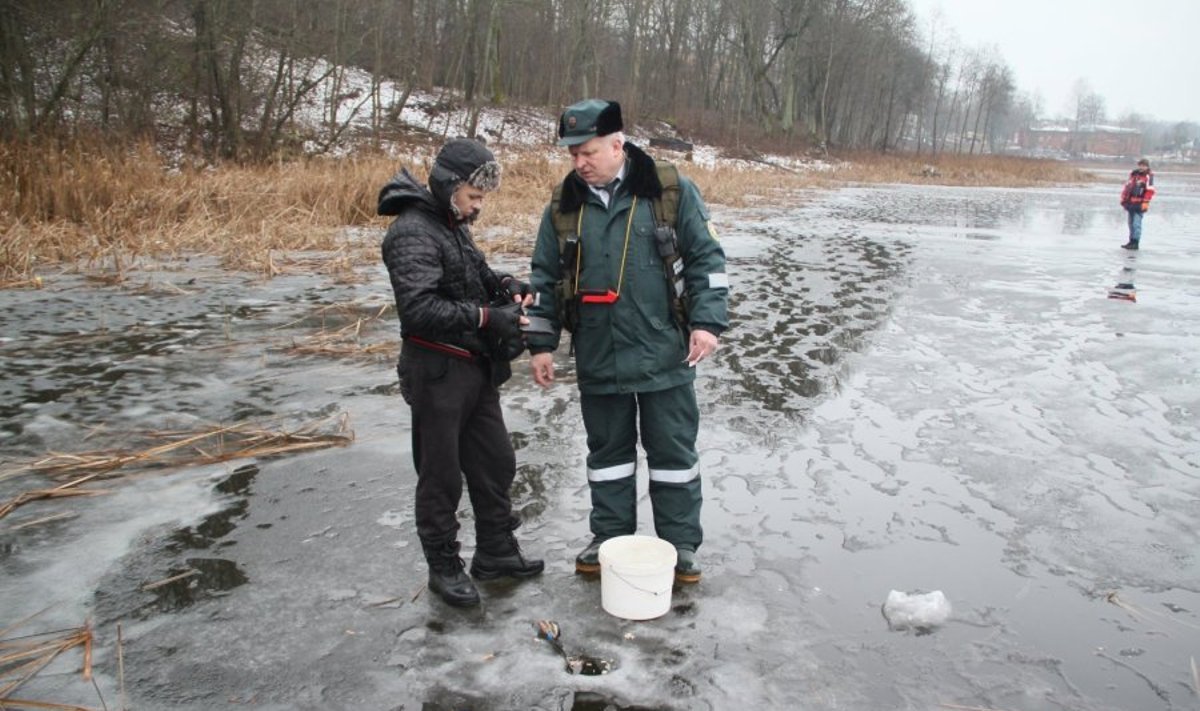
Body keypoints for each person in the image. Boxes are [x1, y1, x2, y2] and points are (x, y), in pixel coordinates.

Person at [526, 99, 729, 584]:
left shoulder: (669, 191)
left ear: (619, 144)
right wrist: (540, 343)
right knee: (608, 459)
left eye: (589, 152)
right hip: (599, 354)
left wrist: (707, 324)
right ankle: (610, 539)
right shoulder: (563, 204)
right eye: (573, 154)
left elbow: (706, 260)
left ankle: (679, 546)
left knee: (673, 458)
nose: (580, 163)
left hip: (666, 353)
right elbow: (544, 276)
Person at [378, 137, 543, 608]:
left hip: (474, 368)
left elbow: (474, 274)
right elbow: (419, 310)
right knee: (441, 475)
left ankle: (495, 552)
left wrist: (506, 287)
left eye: (481, 198)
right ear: (451, 186)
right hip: (436, 372)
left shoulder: (450, 224)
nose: (478, 207)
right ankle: (443, 567)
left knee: (495, 463)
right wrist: (489, 318)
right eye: (474, 197)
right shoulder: (412, 231)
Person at [1119, 158, 1156, 250]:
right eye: (1140, 165)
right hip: (1130, 202)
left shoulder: (1148, 177)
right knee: (1130, 223)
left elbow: (1150, 190)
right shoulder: (1133, 175)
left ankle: (1135, 242)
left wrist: (1146, 202)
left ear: (1147, 166)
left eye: (1144, 165)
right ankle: (1131, 241)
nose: (1142, 167)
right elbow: (1127, 188)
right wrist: (1123, 199)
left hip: (1140, 203)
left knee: (1136, 223)